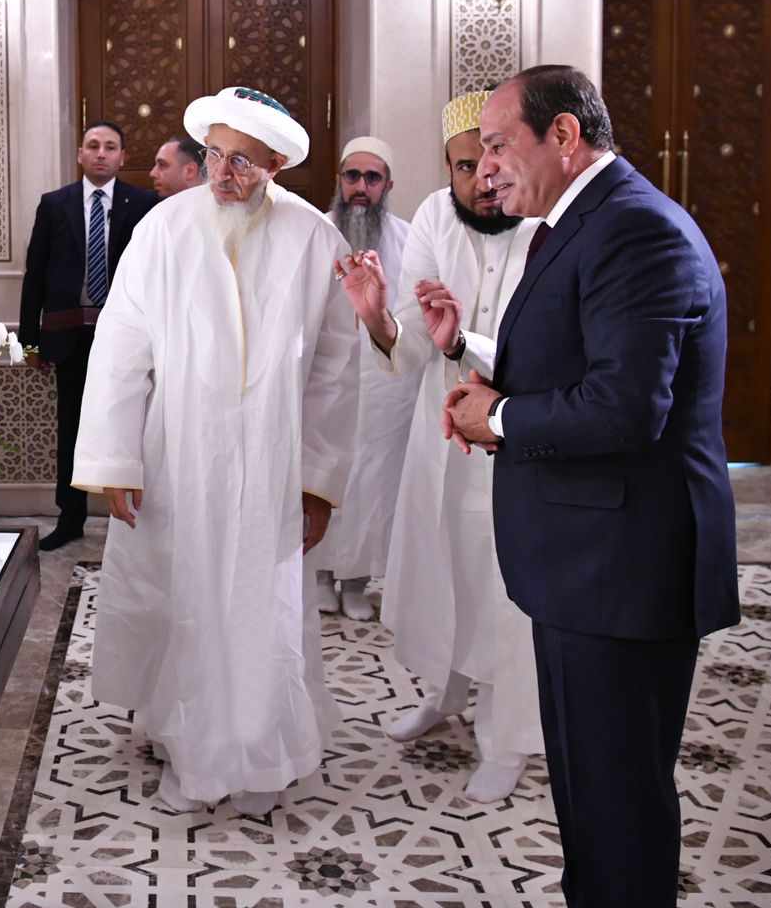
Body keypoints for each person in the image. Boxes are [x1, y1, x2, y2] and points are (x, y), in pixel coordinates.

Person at [443, 66, 738, 905]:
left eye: (499, 145)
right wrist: (483, 375)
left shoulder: (635, 230)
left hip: (624, 567)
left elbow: (624, 407)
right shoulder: (583, 222)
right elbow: (581, 359)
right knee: (591, 796)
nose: (485, 166)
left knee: (618, 806)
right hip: (587, 563)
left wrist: (499, 420)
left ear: (564, 136)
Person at [73, 86, 357, 814]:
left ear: (276, 166)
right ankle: (187, 738)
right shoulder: (164, 228)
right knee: (184, 598)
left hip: (274, 462)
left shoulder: (314, 237)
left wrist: (319, 481)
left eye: (242, 162)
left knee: (262, 606)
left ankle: (261, 747)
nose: (222, 174)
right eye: (215, 156)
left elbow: (334, 368)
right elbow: (122, 349)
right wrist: (115, 461)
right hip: (180, 454)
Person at [336, 90, 543, 803]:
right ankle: (447, 694)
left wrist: (463, 344)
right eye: (464, 165)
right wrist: (377, 319)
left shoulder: (543, 224)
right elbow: (412, 340)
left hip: (518, 438)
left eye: (494, 158)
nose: (482, 178)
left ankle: (507, 736)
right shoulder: (433, 216)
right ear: (446, 167)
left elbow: (541, 351)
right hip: (443, 436)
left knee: (509, 590)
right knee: (446, 570)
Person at [20, 121, 159, 552]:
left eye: (110, 147)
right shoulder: (54, 204)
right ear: (80, 154)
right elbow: (35, 274)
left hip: (127, 339)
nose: (101, 153)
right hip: (69, 337)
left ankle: (138, 518)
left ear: (123, 157)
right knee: (72, 428)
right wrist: (30, 341)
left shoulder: (145, 204)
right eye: (93, 146)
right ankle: (70, 517)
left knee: (134, 424)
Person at [314, 136, 414, 621]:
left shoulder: (409, 240)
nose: (360, 187)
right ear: (340, 180)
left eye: (372, 178)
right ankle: (318, 576)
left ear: (387, 186)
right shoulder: (315, 233)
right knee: (322, 472)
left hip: (383, 386)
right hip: (324, 380)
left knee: (373, 481)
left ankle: (355, 581)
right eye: (352, 176)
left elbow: (413, 317)